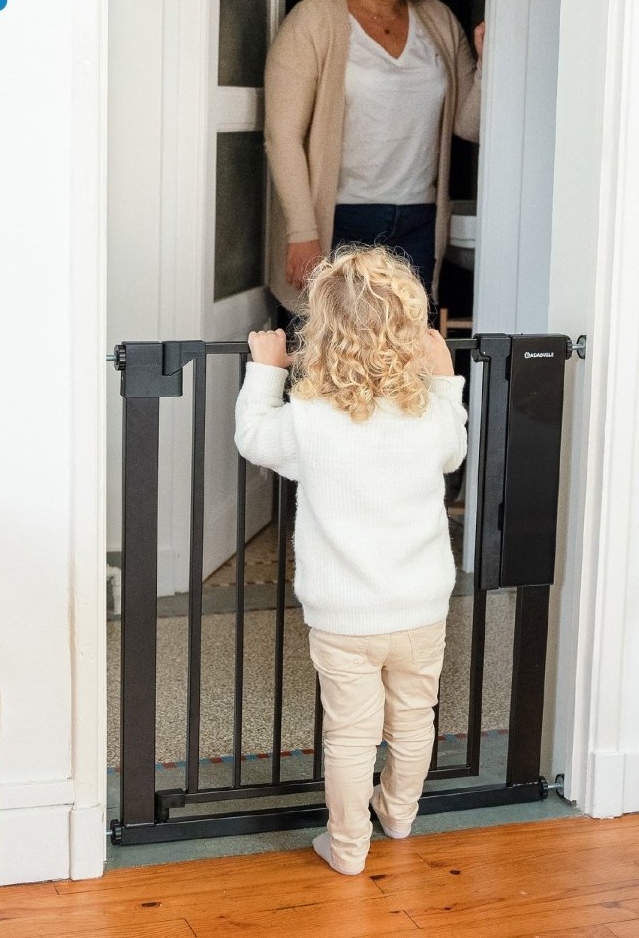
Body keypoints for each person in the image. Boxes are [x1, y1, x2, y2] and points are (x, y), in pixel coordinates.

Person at [234, 246, 468, 876]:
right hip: (420, 609)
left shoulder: (311, 419)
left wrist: (265, 371)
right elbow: (454, 450)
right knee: (413, 721)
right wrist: (444, 378)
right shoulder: (428, 415)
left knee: (350, 736)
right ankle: (399, 815)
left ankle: (347, 847)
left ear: (323, 331)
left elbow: (254, 438)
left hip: (343, 618)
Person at [264, 0, 483, 320]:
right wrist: (302, 230)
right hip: (338, 221)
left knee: (402, 357)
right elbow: (282, 135)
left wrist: (488, 64)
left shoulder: (439, 21)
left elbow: (470, 125)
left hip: (418, 223)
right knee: (326, 355)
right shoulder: (313, 20)